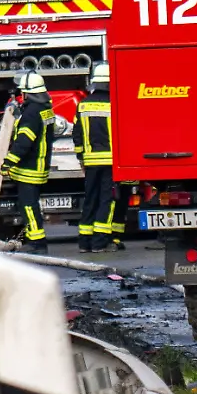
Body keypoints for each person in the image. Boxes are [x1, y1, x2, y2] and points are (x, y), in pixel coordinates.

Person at [73, 61, 124, 252]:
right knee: (107, 200)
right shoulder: (116, 104)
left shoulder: (83, 105)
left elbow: (76, 133)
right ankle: (99, 243)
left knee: (90, 199)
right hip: (111, 161)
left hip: (90, 161)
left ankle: (84, 242)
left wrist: (81, 158)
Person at [3, 70, 55, 252]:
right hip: (39, 166)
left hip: (29, 168)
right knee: (31, 205)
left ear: (27, 93)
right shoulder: (44, 109)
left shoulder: (32, 113)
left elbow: (24, 141)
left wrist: (9, 162)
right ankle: (35, 241)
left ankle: (37, 243)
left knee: (29, 206)